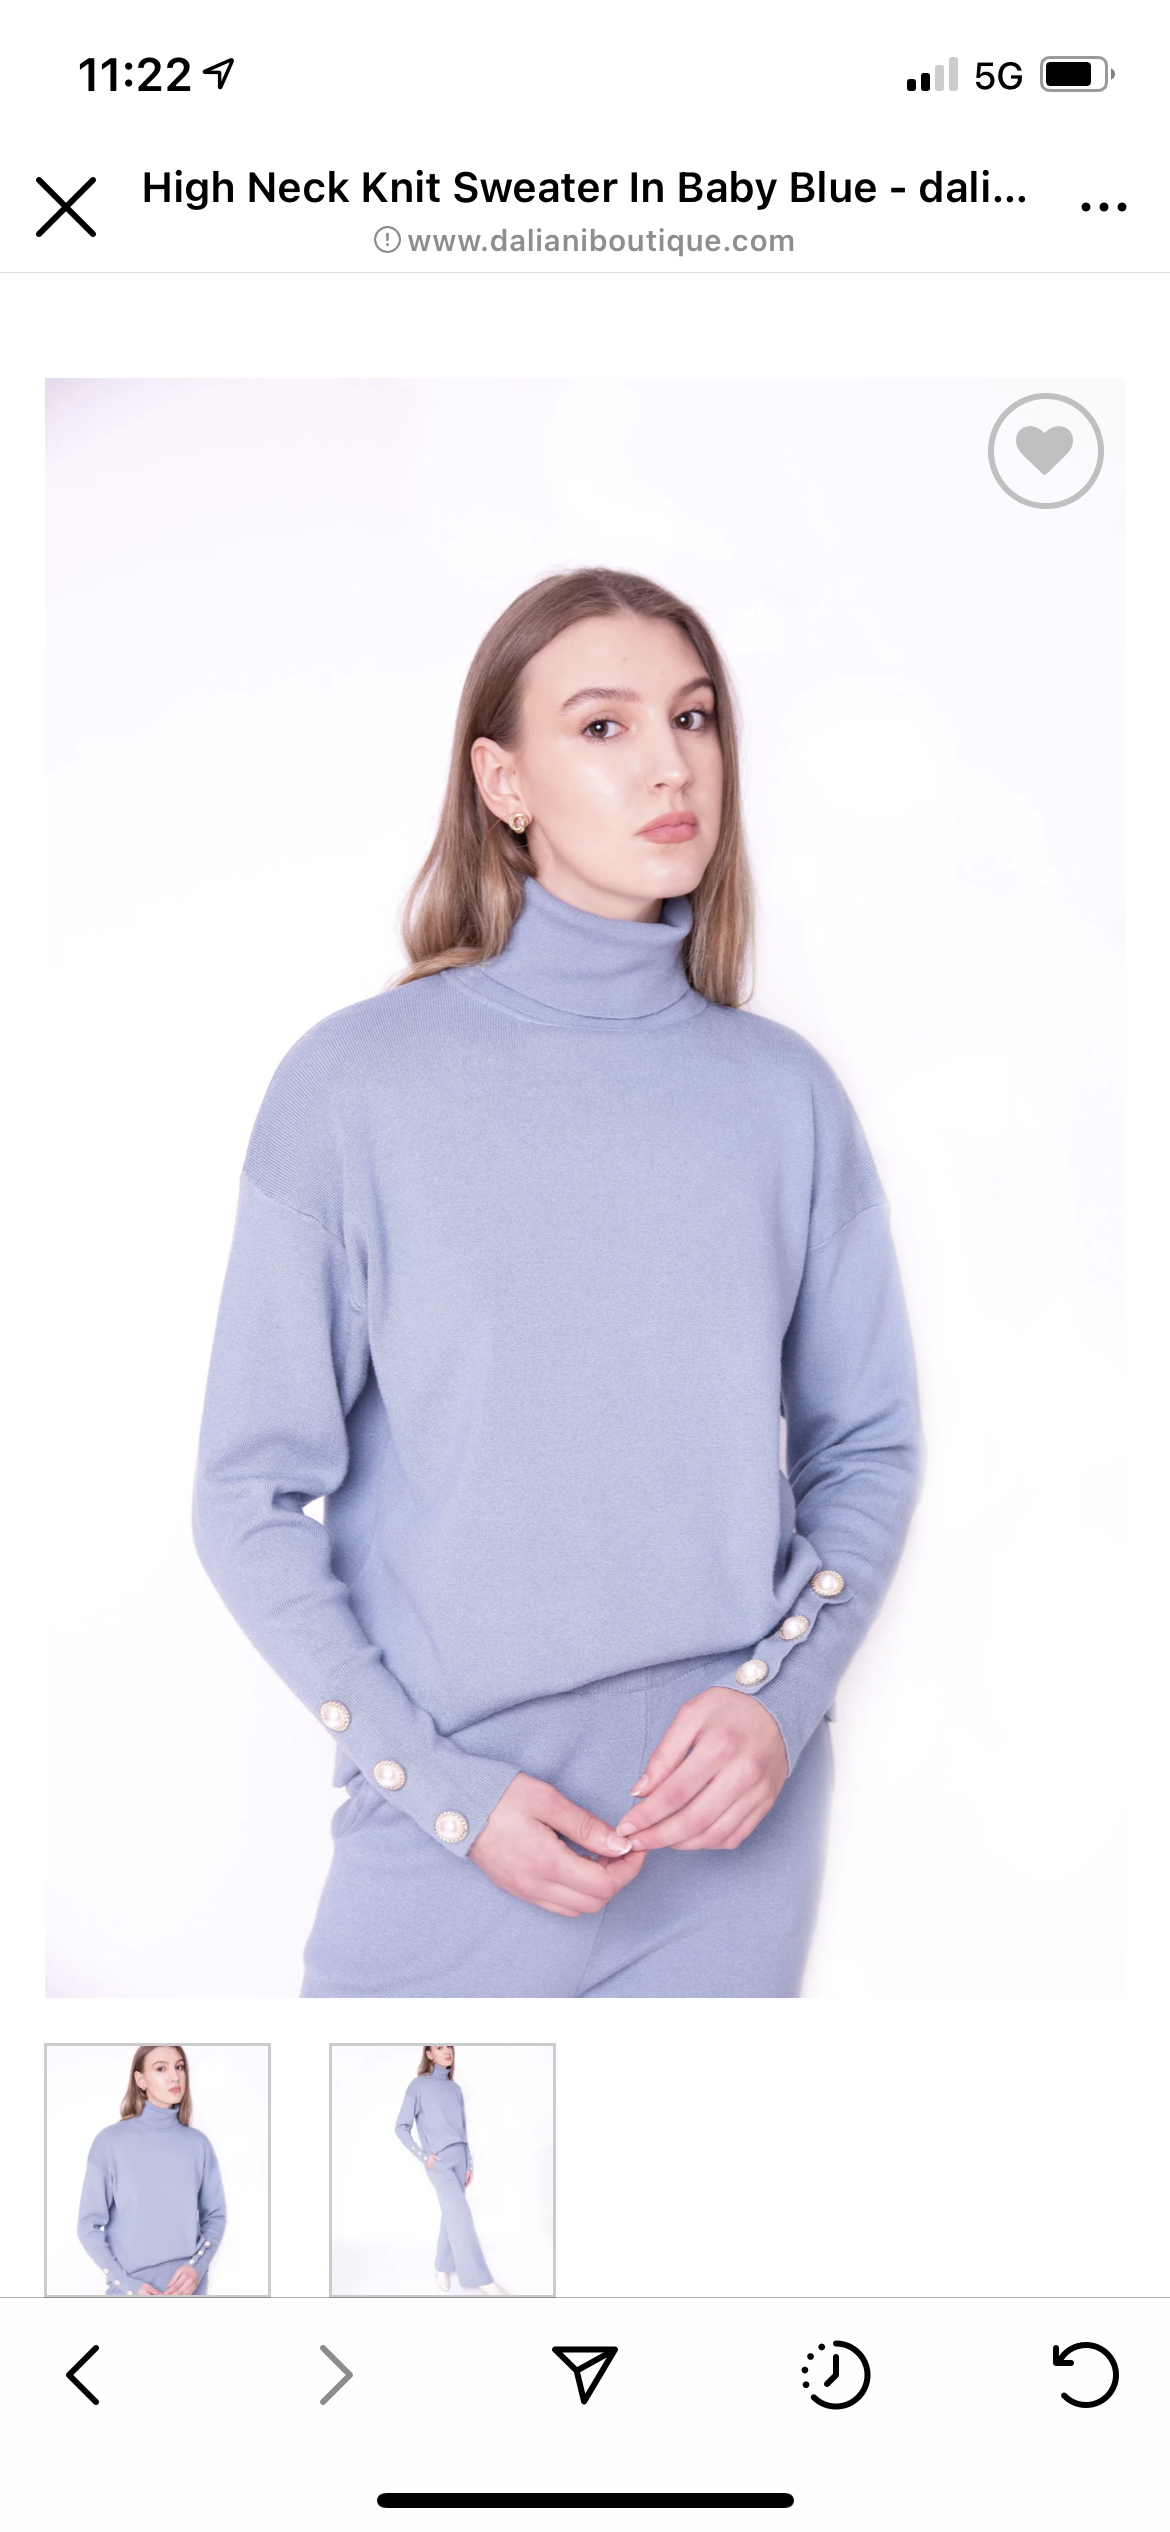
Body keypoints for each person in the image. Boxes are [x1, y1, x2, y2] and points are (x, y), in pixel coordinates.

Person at [192, 566, 923, 1999]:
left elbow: (868, 1446)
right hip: (459, 1836)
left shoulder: (783, 1099)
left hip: (732, 1835)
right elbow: (245, 1498)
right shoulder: (353, 1090)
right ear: (502, 781)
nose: (671, 765)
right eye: (603, 726)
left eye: (693, 718)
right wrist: (436, 1790)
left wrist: (781, 1704)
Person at [76, 2043, 226, 2296]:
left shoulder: (198, 2144)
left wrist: (197, 2269)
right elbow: (88, 2226)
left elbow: (215, 2215)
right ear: (140, 2080)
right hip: (133, 2290)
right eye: (161, 2068)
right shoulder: (110, 2142)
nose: (175, 2076)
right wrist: (126, 2284)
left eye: (179, 2067)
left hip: (188, 2288)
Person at [395, 2044, 504, 2295]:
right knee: (461, 2214)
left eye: (449, 2047)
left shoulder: (455, 2089)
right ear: (429, 2054)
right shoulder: (418, 2086)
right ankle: (481, 2278)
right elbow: (400, 2127)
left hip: (460, 2159)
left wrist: (469, 2162)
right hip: (439, 2162)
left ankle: (442, 2266)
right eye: (440, 2047)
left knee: (451, 2214)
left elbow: (462, 2129)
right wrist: (424, 2157)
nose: (447, 2051)